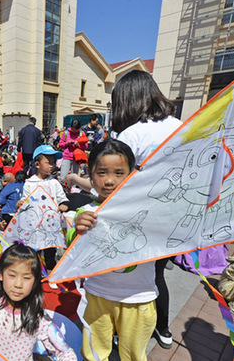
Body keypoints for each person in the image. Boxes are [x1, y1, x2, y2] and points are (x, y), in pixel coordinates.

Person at [110, 70, 182, 348]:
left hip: (138, 219)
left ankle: (122, 332)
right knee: (157, 274)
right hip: (175, 219)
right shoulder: (180, 125)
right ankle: (163, 328)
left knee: (126, 277)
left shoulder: (131, 134)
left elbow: (114, 183)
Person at [70, 139, 157, 360]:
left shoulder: (149, 209)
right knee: (93, 353)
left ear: (131, 174)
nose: (109, 180)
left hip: (139, 299)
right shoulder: (84, 212)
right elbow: (72, 249)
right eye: (101, 172)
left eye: (119, 173)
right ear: (90, 174)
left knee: (134, 355)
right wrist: (76, 229)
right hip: (97, 295)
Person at [19, 145, 69, 212]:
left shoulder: (54, 183)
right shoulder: (29, 183)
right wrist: (21, 203)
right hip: (34, 218)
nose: (51, 166)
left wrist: (63, 205)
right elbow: (26, 200)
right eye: (48, 163)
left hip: (52, 218)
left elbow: (62, 198)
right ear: (37, 164)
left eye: (53, 162)